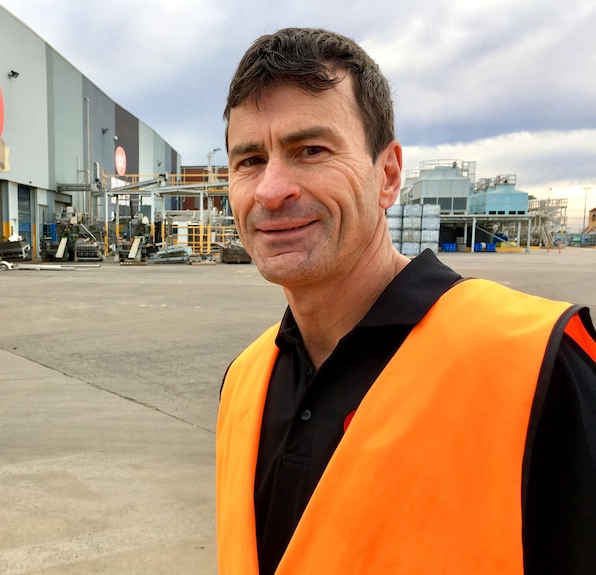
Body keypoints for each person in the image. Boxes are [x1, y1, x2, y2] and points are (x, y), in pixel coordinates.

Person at [216, 28, 596, 575]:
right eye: (249, 160)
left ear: (388, 175)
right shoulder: (245, 384)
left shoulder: (536, 365)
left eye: (311, 151)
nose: (272, 189)